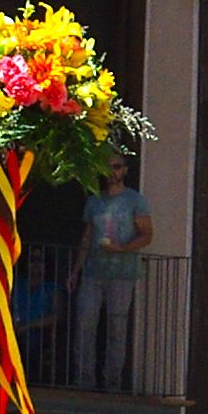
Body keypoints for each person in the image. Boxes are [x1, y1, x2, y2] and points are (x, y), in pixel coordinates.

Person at [72, 157, 154, 389]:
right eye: (107, 166)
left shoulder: (135, 201)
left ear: (125, 170)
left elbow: (147, 235)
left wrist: (122, 249)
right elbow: (87, 237)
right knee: (84, 324)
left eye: (116, 167)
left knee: (117, 329)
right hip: (93, 272)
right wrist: (76, 270)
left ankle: (112, 383)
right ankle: (83, 380)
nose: (111, 171)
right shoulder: (94, 201)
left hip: (122, 274)